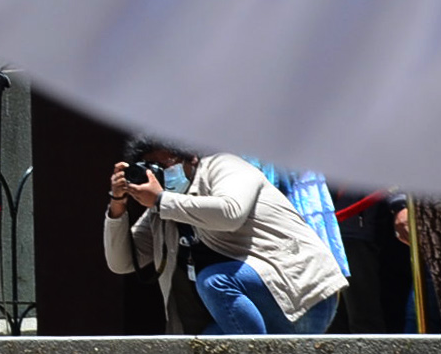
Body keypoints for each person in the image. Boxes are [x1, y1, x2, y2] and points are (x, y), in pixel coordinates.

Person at [105, 143, 348, 336]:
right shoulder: (163, 208)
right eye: (150, 168)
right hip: (254, 315)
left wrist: (161, 200)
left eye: (164, 165)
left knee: (215, 281)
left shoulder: (225, 166)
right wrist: (117, 204)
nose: (157, 175)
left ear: (191, 157)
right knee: (204, 353)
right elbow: (122, 262)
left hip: (304, 300)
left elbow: (230, 213)